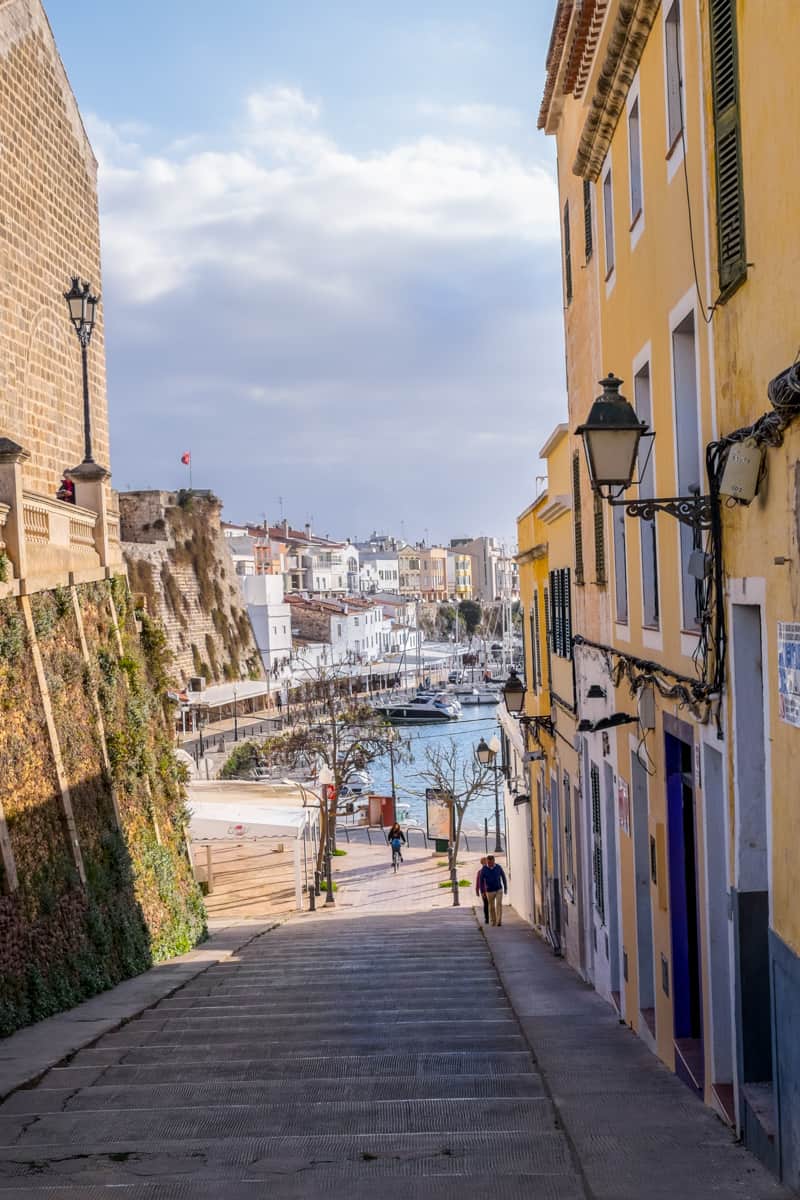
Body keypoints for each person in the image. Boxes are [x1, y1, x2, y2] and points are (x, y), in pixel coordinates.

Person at [478, 855, 508, 926]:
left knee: (498, 904)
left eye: (491, 862)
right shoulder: (484, 869)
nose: (490, 864)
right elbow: (481, 881)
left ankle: (499, 921)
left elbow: (503, 877)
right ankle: (493, 921)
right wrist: (482, 892)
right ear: (487, 862)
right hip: (489, 891)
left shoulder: (498, 867)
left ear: (494, 861)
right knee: (491, 906)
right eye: (488, 862)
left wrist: (505, 888)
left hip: (499, 889)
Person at [475, 856, 489, 924]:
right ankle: (487, 918)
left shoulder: (490, 870)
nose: (485, 863)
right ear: (482, 863)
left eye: (486, 862)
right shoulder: (480, 872)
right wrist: (477, 890)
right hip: (483, 891)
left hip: (490, 890)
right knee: (486, 904)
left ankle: (490, 918)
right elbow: (478, 882)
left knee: (490, 904)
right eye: (484, 862)